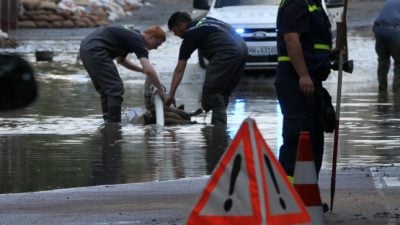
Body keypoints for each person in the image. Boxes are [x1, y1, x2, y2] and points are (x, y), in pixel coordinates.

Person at [275, 0, 334, 180]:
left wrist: (331, 55)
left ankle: (307, 195)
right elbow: (291, 39)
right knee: (298, 137)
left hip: (311, 79)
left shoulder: (313, 4)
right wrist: (303, 74)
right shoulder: (297, 2)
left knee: (313, 138)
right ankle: (289, 197)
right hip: (296, 80)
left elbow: (311, 45)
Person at [165, 11, 248, 125]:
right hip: (243, 49)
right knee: (222, 92)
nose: (175, 35)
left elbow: (179, 69)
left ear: (181, 25)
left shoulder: (190, 34)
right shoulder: (205, 21)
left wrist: (171, 94)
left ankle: (218, 130)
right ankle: (221, 132)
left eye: (175, 31)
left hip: (227, 51)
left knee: (211, 91)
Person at [79, 25, 166, 123]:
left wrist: (141, 70)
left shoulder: (131, 35)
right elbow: (149, 70)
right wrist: (160, 89)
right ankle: (115, 124)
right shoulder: (138, 41)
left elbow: (121, 60)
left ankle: (108, 123)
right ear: (151, 37)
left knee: (106, 90)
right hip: (95, 50)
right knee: (115, 88)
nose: (156, 48)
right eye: (157, 44)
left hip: (86, 48)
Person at [373, 0, 400, 92]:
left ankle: (382, 87)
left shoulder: (389, 2)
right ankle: (397, 93)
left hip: (378, 28)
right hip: (393, 29)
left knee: (383, 60)